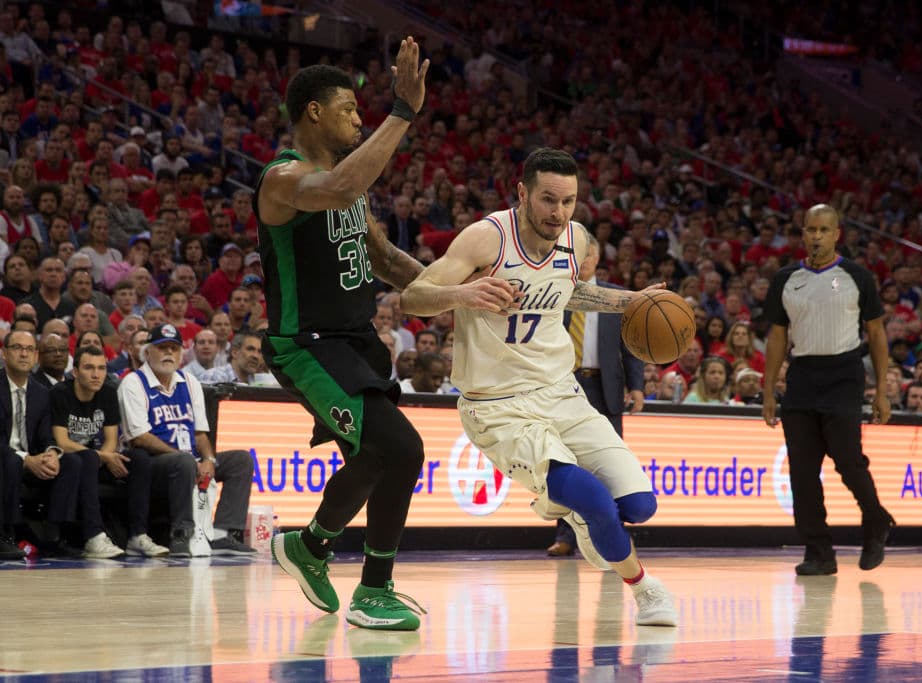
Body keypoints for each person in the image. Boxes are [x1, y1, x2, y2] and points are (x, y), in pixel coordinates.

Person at [401, 148, 678, 626]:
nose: (559, 212)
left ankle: (581, 514)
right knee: (592, 499)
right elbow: (413, 295)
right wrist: (463, 293)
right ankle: (644, 587)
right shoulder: (487, 238)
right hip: (498, 405)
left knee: (639, 505)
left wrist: (633, 302)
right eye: (549, 200)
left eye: (569, 201)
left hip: (560, 392)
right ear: (523, 192)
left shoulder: (572, 239)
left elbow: (569, 292)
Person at [256, 40, 432, 630]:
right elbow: (333, 191)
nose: (360, 118)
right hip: (306, 343)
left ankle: (309, 548)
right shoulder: (284, 179)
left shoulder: (347, 187)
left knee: (379, 458)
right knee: (400, 448)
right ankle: (372, 589)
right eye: (351, 109)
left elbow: (385, 259)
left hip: (356, 342)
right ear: (313, 112)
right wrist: (401, 113)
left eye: (364, 111)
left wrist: (463, 293)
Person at [762, 204, 895, 576]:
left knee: (849, 461)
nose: (816, 236)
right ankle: (819, 551)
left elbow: (877, 334)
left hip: (844, 374)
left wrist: (882, 389)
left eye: (823, 229)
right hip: (802, 376)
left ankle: (876, 521)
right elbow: (776, 336)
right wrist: (769, 390)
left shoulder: (856, 276)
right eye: (810, 229)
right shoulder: (786, 279)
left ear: (837, 234)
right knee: (802, 472)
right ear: (802, 234)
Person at [117, 324, 256, 557]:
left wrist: (209, 459)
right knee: (183, 462)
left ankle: (222, 534)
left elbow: (200, 433)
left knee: (241, 460)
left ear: (182, 353)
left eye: (174, 348)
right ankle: (182, 533)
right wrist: (187, 458)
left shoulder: (189, 381)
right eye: (162, 348)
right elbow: (140, 438)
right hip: (151, 465)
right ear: (148, 351)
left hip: (187, 459)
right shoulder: (134, 383)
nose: (168, 353)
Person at [548, 231, 644, 557]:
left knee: (609, 464)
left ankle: (613, 537)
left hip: (604, 386)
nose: (581, 259)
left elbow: (631, 348)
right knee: (565, 462)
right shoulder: (555, 293)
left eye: (586, 253)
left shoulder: (615, 297)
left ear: (597, 258)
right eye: (576, 253)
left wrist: (638, 386)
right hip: (564, 384)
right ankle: (566, 535)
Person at [51, 345, 170, 557]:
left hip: (98, 458)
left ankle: (138, 536)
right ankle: (93, 537)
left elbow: (111, 440)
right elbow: (62, 442)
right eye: (89, 368)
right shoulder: (60, 393)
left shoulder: (107, 393)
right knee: (86, 457)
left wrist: (105, 456)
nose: (96, 374)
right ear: (75, 372)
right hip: (69, 462)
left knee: (139, 458)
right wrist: (103, 456)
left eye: (101, 368)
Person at [0, 330, 82, 557]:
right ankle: (6, 535)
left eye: (29, 349)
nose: (24, 354)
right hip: (6, 458)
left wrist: (51, 453)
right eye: (17, 348)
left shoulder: (42, 393)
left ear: (36, 356)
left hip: (33, 458)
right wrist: (26, 459)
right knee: (10, 461)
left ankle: (55, 535)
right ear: (4, 353)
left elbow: (47, 435)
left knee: (72, 462)